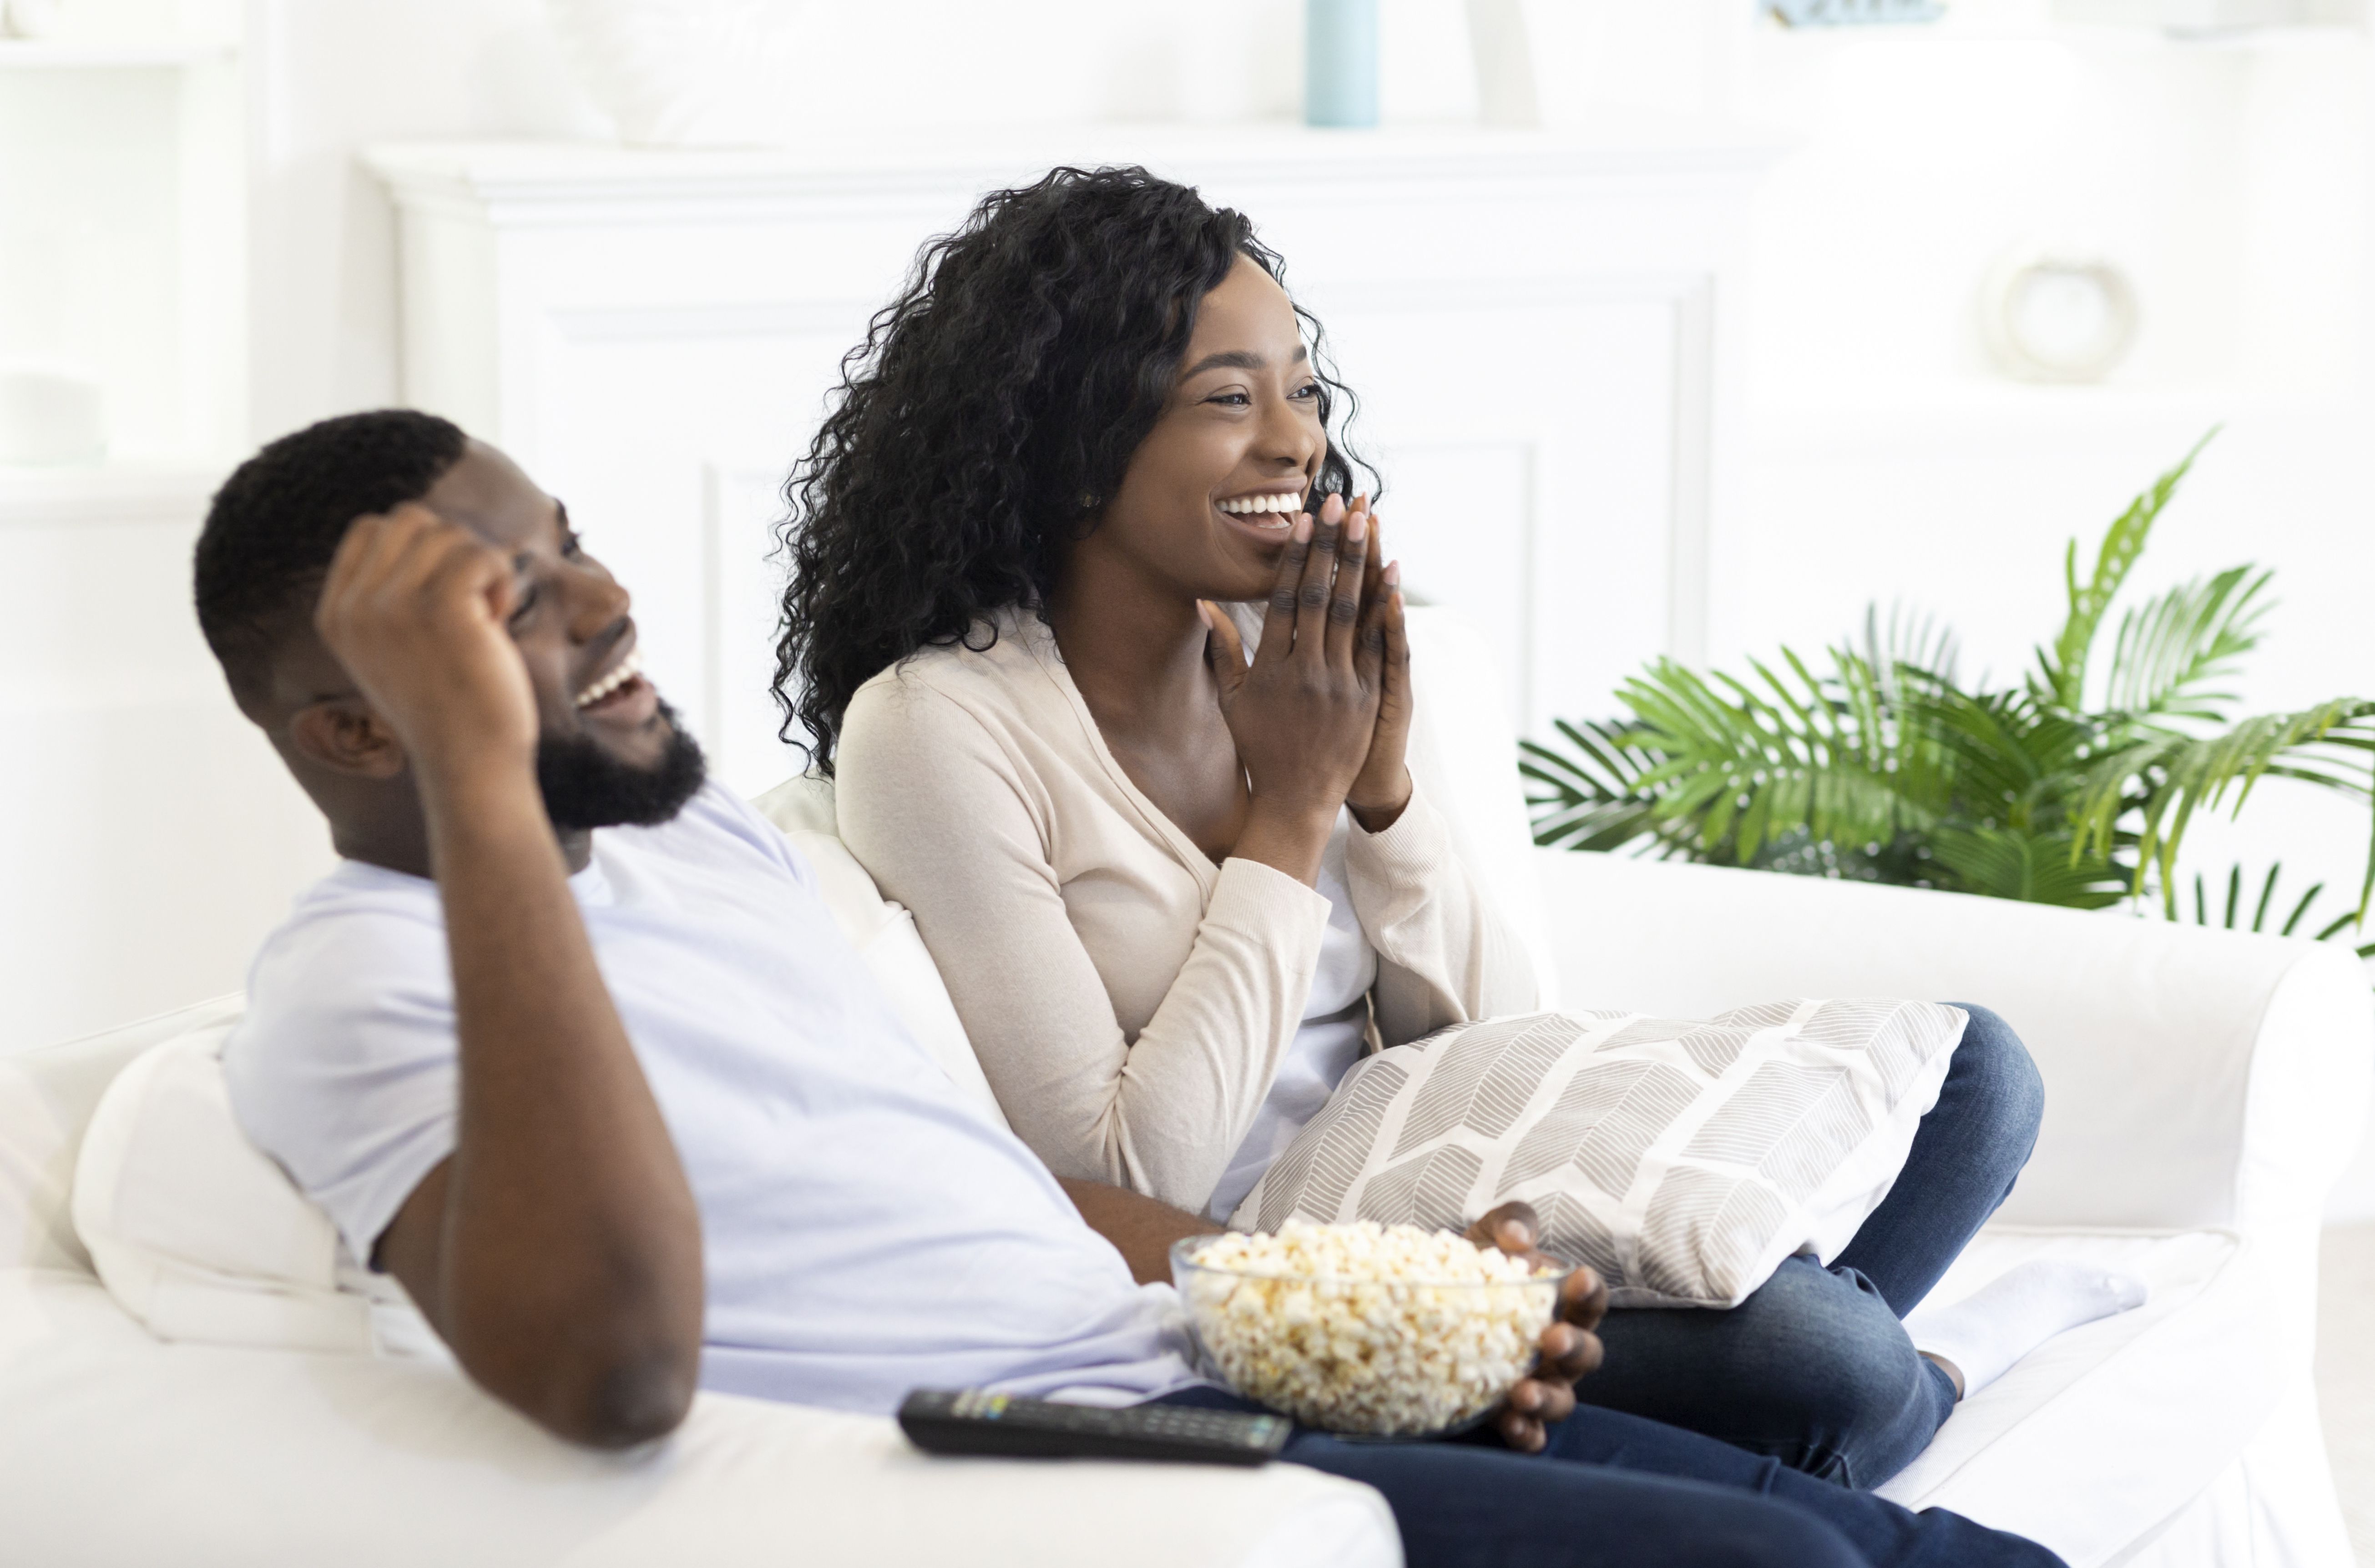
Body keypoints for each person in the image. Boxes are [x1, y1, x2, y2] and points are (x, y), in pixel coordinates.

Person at [197, 409, 2067, 1568]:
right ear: (370, 719)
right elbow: (612, 1370)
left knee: (1918, 1546)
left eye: (573, 539)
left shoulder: (694, 843)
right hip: (1066, 1465)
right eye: (501, 609)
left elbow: (981, 1179)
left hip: (1205, 1363)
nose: (603, 600)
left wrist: (1378, 1303)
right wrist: (473, 778)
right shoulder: (348, 984)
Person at [777, 167, 2128, 1487]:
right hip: (1289, 1278)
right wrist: (1290, 818)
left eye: (1301, 390)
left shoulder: (1287, 645)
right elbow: (1114, 1174)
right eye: (1225, 400)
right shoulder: (943, 725)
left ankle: (1800, 1413)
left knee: (1973, 1074)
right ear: (1071, 446)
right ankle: (1913, 1383)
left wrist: (1383, 793)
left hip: (1452, 1189)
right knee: (1816, 1357)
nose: (1295, 439)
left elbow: (1491, 1048)